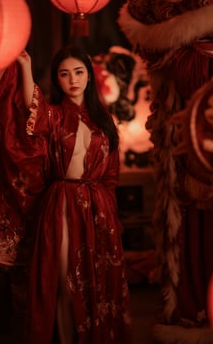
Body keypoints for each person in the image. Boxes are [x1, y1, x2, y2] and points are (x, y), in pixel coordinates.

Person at [14, 44, 132, 344]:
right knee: (67, 281)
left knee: (99, 284)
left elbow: (111, 176)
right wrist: (26, 67)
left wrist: (108, 216)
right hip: (63, 203)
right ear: (57, 80)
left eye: (78, 72)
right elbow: (31, 108)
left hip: (99, 208)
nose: (73, 79)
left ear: (89, 76)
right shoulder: (52, 116)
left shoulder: (104, 122)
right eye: (64, 74)